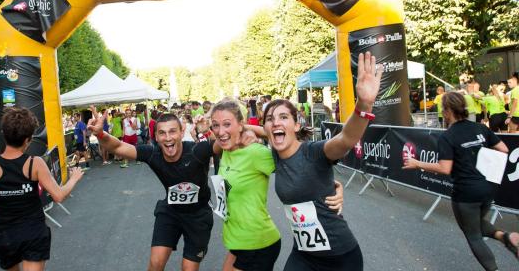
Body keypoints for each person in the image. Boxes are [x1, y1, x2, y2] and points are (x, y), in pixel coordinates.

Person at [253, 52, 379, 271]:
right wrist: (231, 127)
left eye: (283, 117)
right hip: (303, 255)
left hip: (340, 256)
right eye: (270, 120)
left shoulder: (315, 152)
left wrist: (364, 105)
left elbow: (346, 138)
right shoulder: (275, 154)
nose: (275, 123)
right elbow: (256, 131)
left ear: (296, 125)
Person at [210, 98, 345, 271]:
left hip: (258, 242)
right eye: (215, 125)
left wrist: (333, 186)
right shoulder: (224, 148)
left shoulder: (255, 153)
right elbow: (215, 145)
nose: (220, 131)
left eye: (227, 124)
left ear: (240, 124)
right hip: (236, 240)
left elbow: (300, 168)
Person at [88, 107, 226, 271]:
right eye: (162, 133)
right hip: (171, 212)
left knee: (188, 268)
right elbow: (117, 147)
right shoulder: (152, 153)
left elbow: (223, 143)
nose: (168, 138)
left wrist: (209, 131)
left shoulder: (197, 151)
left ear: (182, 133)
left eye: (173, 131)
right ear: (156, 136)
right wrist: (100, 134)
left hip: (198, 216)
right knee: (155, 263)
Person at [0, 107, 84, 271]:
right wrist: (73, 179)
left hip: (4, 234)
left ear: (3, 133)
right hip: (33, 231)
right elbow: (58, 196)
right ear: (28, 139)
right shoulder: (35, 163)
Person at [403, 92, 519, 270]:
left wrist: (417, 163)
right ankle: (505, 237)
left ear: (448, 111)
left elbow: (444, 168)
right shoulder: (480, 128)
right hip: (487, 189)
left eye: (443, 109)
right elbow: (503, 149)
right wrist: (482, 159)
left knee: (473, 235)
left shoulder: (448, 136)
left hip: (466, 192)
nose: (442, 113)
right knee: (475, 224)